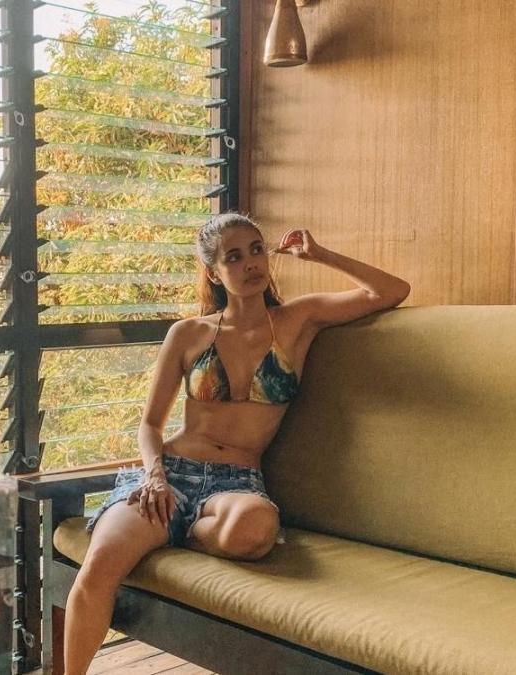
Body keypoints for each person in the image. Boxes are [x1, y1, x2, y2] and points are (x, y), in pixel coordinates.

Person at [63, 213, 411, 673]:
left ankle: (180, 532)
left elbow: (390, 291)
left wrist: (320, 254)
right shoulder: (189, 333)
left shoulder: (298, 320)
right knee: (100, 566)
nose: (250, 263)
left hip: (237, 484)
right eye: (233, 256)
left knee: (257, 529)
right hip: (171, 475)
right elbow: (149, 424)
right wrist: (155, 477)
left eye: (256, 250)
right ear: (213, 272)